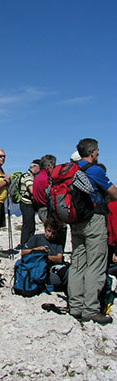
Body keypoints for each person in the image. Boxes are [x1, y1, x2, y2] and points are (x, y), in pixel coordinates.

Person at [68, 138, 117, 324]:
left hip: (75, 221)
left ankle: (75, 306)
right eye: (97, 151)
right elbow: (113, 193)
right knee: (95, 263)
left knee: (78, 262)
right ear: (92, 152)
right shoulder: (94, 170)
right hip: (94, 219)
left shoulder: (71, 170)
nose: (98, 154)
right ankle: (90, 309)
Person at [21, 215, 68, 290]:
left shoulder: (57, 242)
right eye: (48, 231)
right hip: (38, 270)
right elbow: (23, 252)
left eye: (53, 233)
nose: (50, 235)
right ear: (45, 229)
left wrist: (45, 257)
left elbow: (59, 258)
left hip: (53, 269)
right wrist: (37, 250)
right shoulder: (36, 238)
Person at [18, 159, 41, 248]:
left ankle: (27, 242)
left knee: (30, 223)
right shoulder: (28, 176)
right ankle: (25, 243)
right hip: (26, 203)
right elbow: (32, 190)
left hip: (26, 203)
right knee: (28, 224)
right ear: (35, 167)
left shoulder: (28, 175)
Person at [33, 154, 56, 224]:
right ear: (48, 166)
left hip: (40, 209)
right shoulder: (47, 179)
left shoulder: (37, 177)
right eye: (53, 166)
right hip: (48, 210)